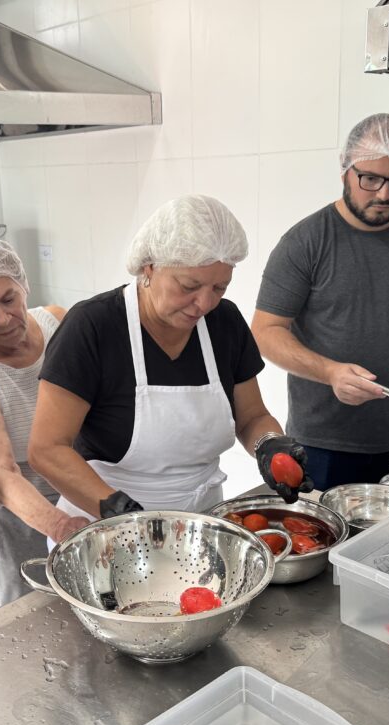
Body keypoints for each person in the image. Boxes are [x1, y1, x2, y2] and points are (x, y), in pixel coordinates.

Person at [28, 194, 313, 534]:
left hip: (201, 520)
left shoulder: (225, 322)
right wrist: (114, 507)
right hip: (108, 523)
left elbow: (251, 417)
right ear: (149, 267)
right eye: (189, 286)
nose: (204, 303)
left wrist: (268, 444)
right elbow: (47, 449)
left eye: (219, 287)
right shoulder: (93, 326)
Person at [251, 113, 389, 490]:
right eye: (370, 178)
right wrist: (330, 372)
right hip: (321, 445)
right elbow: (265, 331)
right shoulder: (305, 242)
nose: (384, 194)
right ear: (345, 171)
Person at [0, 237, 87, 606]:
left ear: (23, 285)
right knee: (34, 632)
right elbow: (3, 476)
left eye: (8, 299)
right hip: (19, 525)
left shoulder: (57, 321)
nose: (2, 319)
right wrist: (59, 526)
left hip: (81, 498)